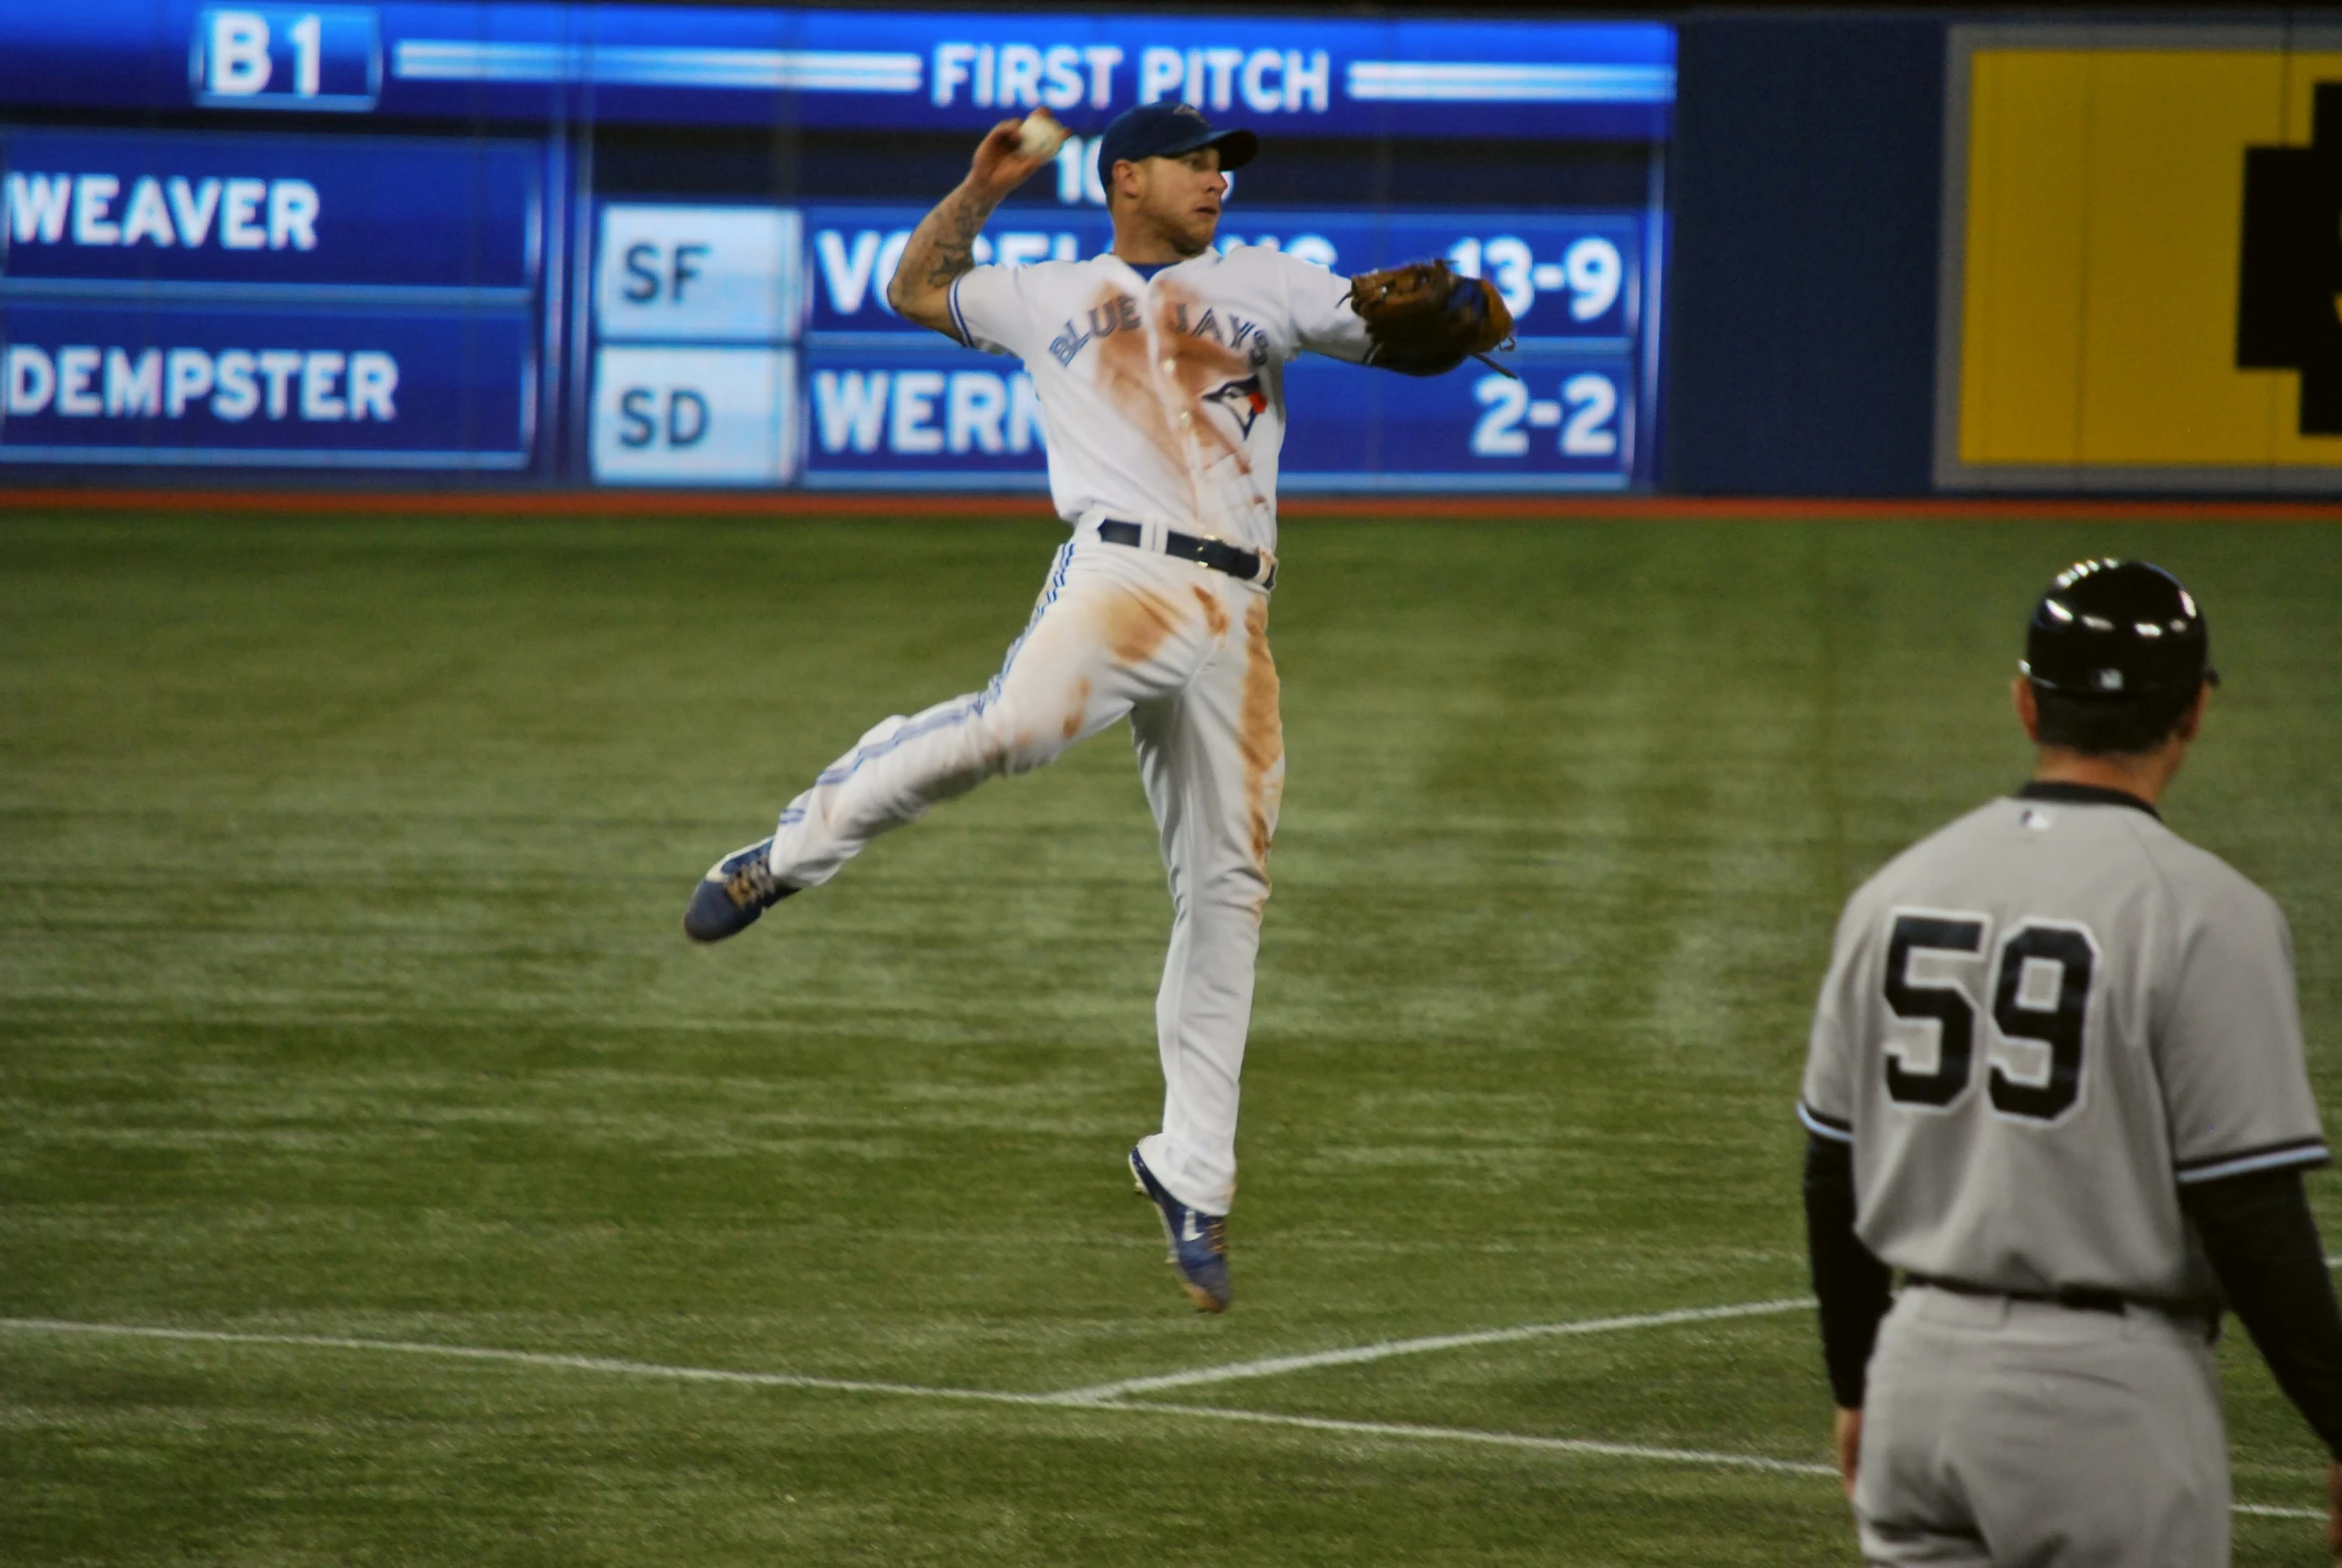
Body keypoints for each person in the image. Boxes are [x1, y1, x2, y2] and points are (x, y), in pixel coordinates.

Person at [680, 102, 1500, 1313]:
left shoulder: (1267, 280)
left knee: (1228, 888)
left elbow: (1409, 326)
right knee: (1017, 727)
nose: (1217, 178)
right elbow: (915, 288)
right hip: (1122, 570)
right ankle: (793, 847)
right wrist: (980, 186)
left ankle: (1190, 1175)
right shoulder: (1044, 290)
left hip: (1238, 614)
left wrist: (1466, 310)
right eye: (1195, 161)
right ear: (1127, 178)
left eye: (1224, 163)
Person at [1798, 557, 2342, 1564]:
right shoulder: (2206, 913)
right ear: (2191, 712)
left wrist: (1855, 1380)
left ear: (2022, 702)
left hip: (1915, 1371)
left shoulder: (1893, 892)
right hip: (2102, 1402)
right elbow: (2245, 1211)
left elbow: (1831, 1163)